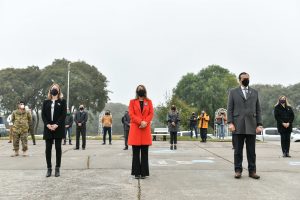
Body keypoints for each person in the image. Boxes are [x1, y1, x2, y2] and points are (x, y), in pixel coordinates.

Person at [227, 72, 263, 179]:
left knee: (251, 151)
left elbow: (258, 110)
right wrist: (230, 122)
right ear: (240, 80)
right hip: (237, 125)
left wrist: (259, 124)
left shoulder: (255, 92)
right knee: (238, 150)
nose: (246, 80)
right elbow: (230, 109)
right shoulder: (233, 92)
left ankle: (252, 171)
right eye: (244, 78)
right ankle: (238, 170)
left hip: (252, 125)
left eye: (248, 78)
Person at [128, 85, 154, 179]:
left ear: (144, 91)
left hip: (145, 129)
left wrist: (145, 122)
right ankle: (136, 173)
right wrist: (140, 122)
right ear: (137, 91)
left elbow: (151, 113)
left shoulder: (149, 102)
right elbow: (131, 114)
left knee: (144, 152)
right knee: (135, 153)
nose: (140, 90)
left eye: (142, 89)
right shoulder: (132, 102)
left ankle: (144, 173)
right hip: (136, 129)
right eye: (139, 89)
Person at [42, 83, 66, 177]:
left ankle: (57, 168)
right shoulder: (46, 102)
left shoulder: (62, 101)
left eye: (56, 88)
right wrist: (47, 124)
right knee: (48, 149)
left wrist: (56, 124)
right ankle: (49, 168)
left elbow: (63, 115)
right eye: (53, 88)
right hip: (48, 127)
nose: (54, 90)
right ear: (50, 90)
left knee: (58, 148)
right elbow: (43, 115)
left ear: (59, 90)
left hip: (58, 127)